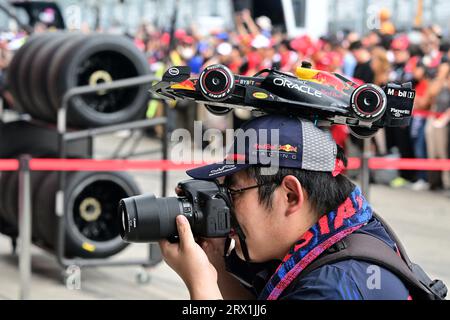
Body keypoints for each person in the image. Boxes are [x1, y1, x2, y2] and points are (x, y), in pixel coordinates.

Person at [159, 115, 416, 300]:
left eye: (233, 192)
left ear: (291, 196)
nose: (224, 206)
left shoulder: (333, 287)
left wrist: (200, 283)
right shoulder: (342, 235)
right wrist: (213, 262)